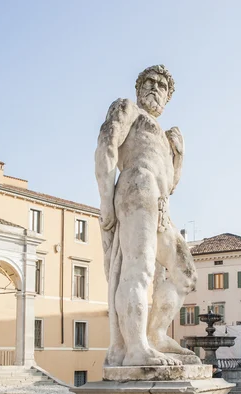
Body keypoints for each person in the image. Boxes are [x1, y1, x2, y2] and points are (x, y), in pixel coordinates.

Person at [95, 65, 198, 367]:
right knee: (138, 270)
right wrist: (105, 201)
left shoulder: (165, 137)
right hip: (135, 185)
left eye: (162, 86)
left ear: (167, 98)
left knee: (186, 274)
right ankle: (136, 347)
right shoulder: (128, 109)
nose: (155, 88)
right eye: (149, 83)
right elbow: (106, 146)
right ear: (139, 89)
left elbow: (172, 184)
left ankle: (155, 334)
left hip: (160, 203)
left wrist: (179, 157)